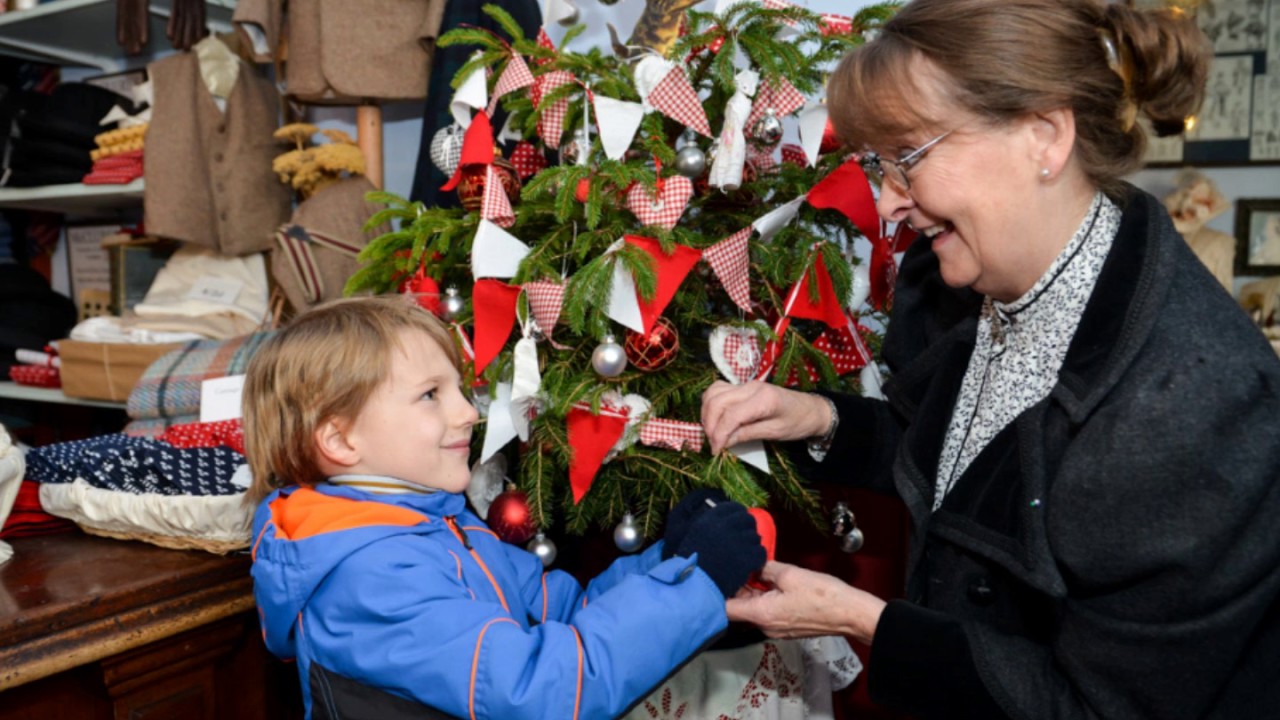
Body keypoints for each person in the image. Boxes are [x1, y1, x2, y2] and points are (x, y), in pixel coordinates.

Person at [700, 1, 1280, 718]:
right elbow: (964, 472)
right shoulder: (972, 287)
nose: (888, 204)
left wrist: (865, 621)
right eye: (879, 166)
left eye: (907, 160)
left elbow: (1101, 706)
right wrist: (820, 420)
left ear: (1044, 134)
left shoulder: (1194, 404)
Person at [243, 295, 765, 720]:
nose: (469, 412)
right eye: (430, 395)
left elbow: (562, 614)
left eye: (459, 389)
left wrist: (672, 562)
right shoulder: (372, 576)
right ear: (340, 438)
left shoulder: (440, 527)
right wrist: (692, 591)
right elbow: (537, 693)